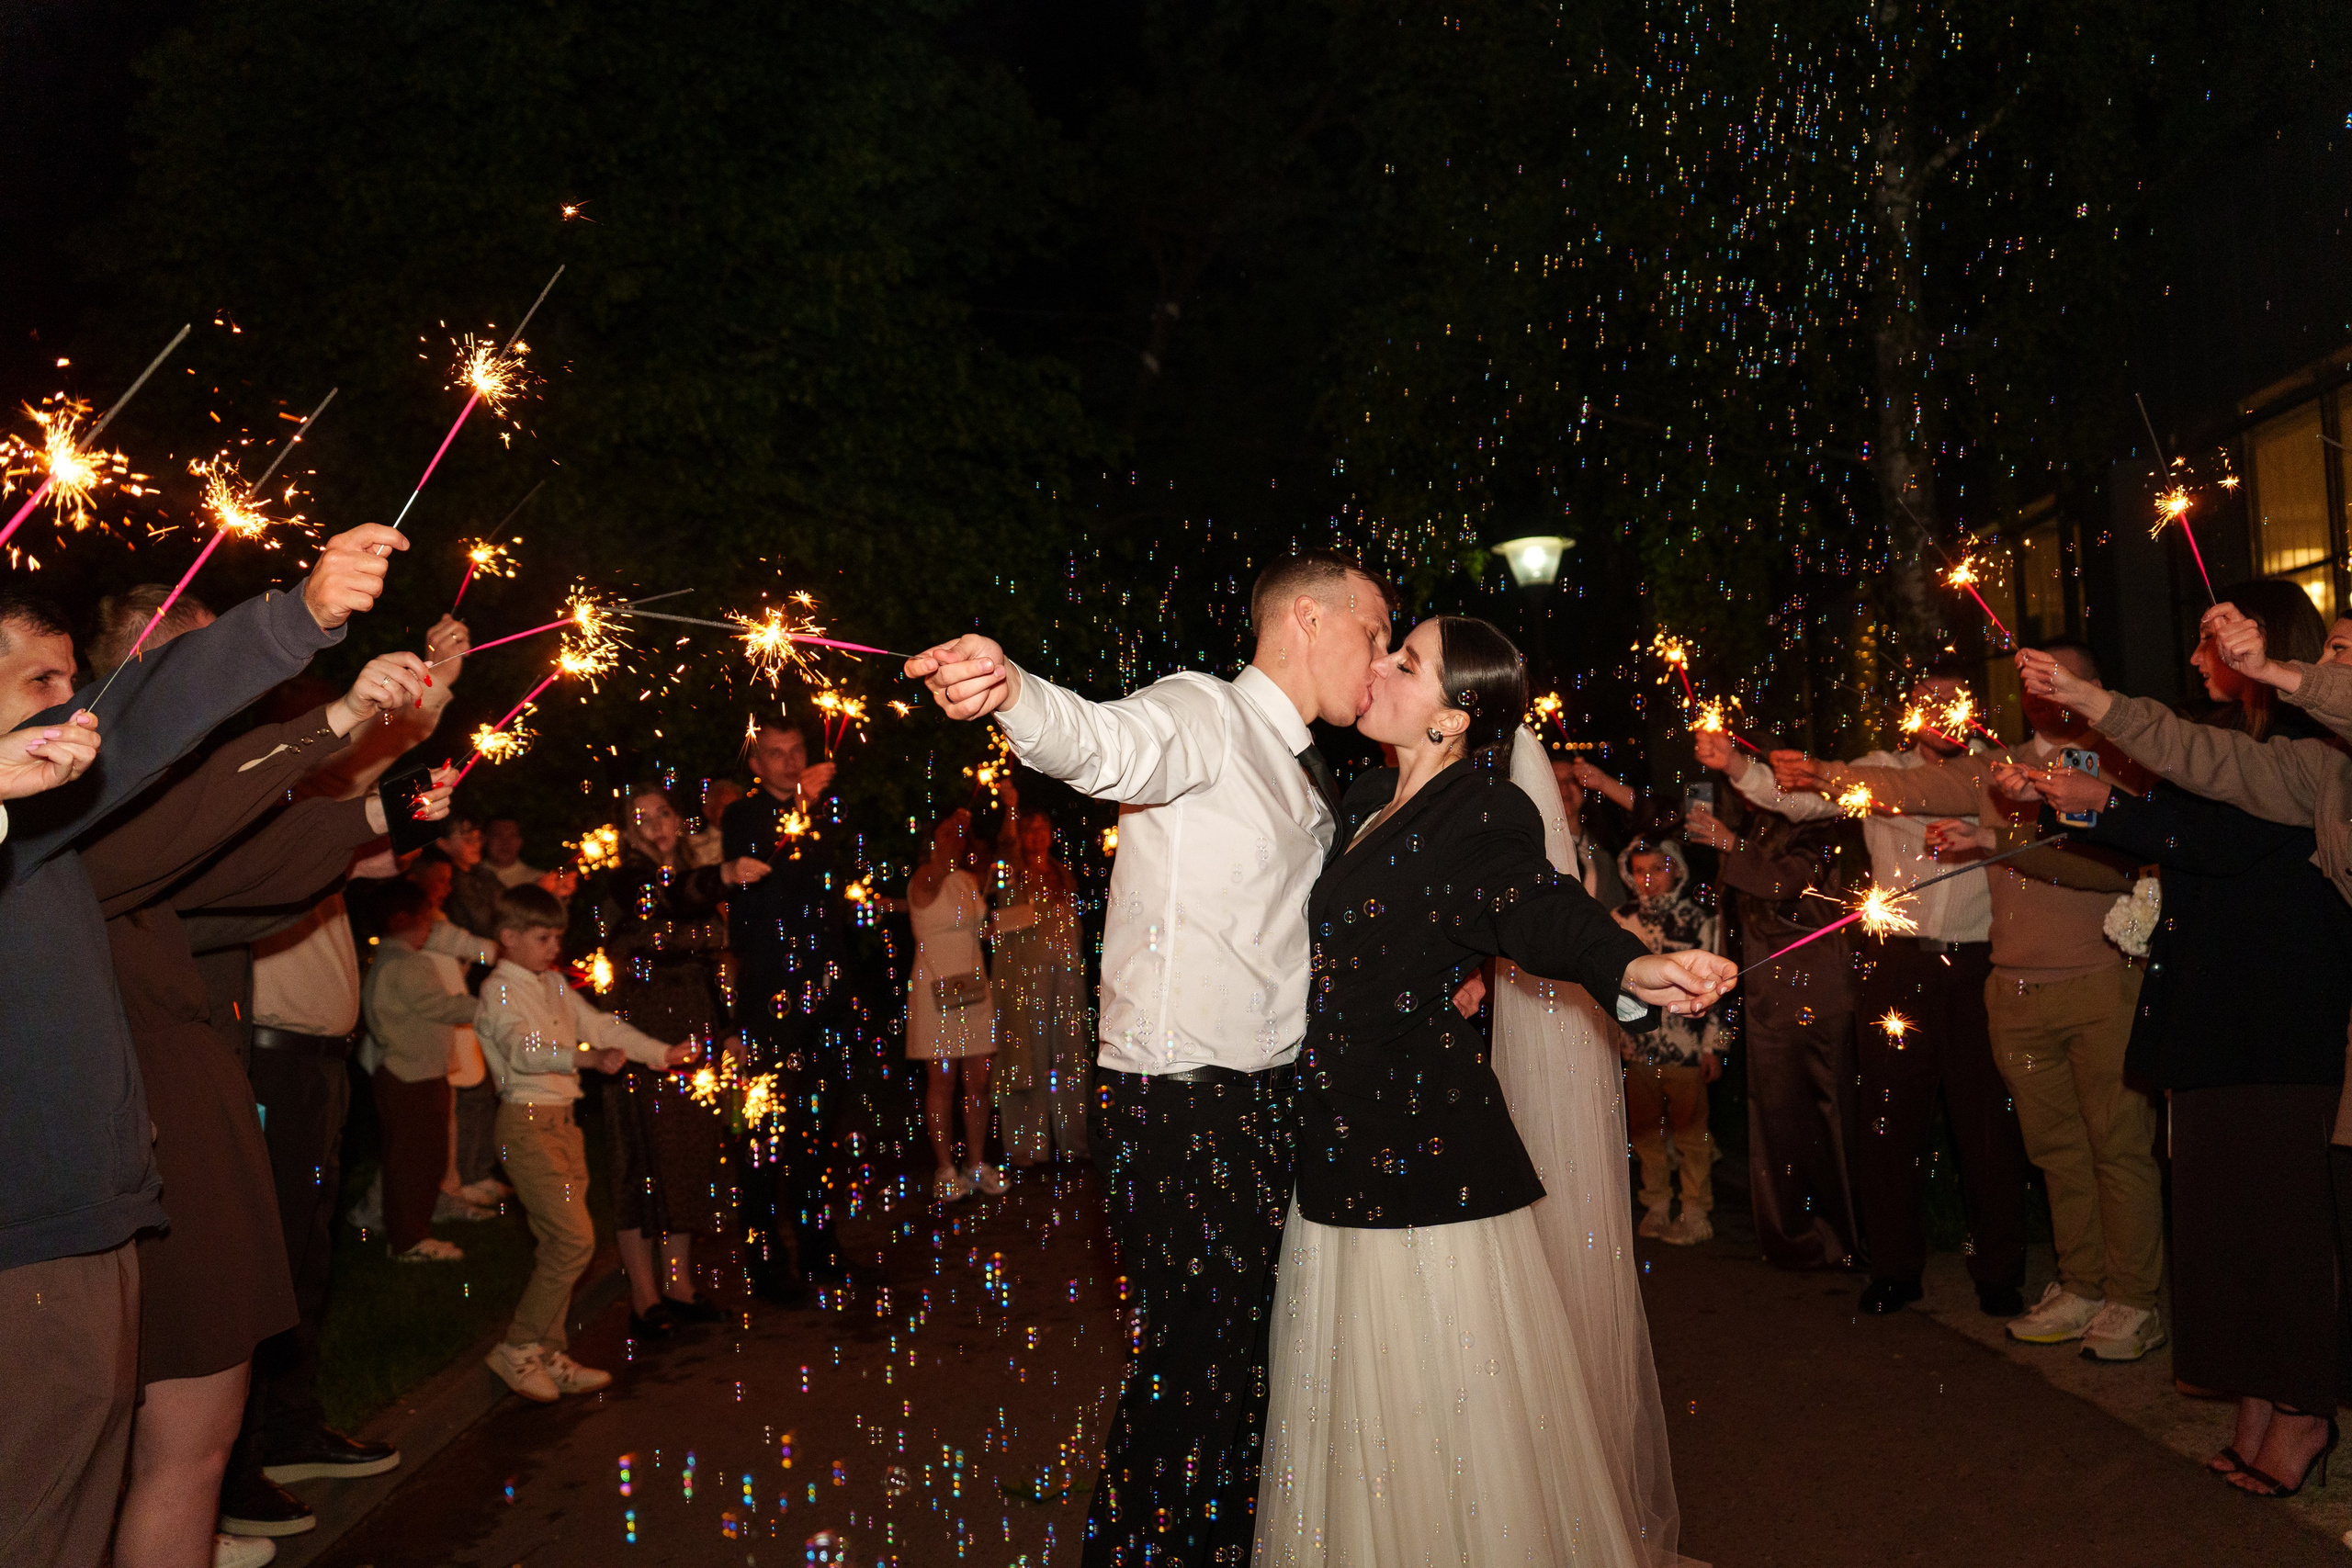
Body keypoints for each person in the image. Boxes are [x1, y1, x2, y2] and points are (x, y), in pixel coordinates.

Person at [909, 550, 1393, 1564]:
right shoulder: (1205, 713)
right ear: (1307, 618)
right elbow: (1104, 745)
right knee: (1190, 1383)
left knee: (1248, 1378)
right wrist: (1014, 691)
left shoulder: (1301, 763)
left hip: (1262, 1104)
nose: (1381, 656)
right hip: (1184, 1109)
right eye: (1375, 631)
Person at [1252, 615, 1736, 1564]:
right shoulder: (1362, 796)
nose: (1380, 670)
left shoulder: (1482, 809)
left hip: (1424, 1156)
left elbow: (1526, 900)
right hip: (1338, 1138)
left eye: (1407, 662)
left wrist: (1626, 967)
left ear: (1454, 716)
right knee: (1354, 1406)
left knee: (1443, 1414)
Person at [0, 528, 396, 1568]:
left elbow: (212, 894)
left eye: (73, 682)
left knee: (101, 1487)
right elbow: (150, 745)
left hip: (107, 1192)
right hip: (45, 1220)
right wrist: (298, 626)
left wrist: (364, 798)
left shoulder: (39, 820)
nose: (72, 706)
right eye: (46, 682)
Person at [84, 657, 447, 1568]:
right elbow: (205, 867)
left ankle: (245, 1469)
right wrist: (347, 708)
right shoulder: (93, 825)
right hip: (207, 1083)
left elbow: (224, 888)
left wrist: (383, 810)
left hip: (265, 1074)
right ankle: (224, 1490)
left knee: (287, 1268)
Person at [2018, 606, 2352, 1495]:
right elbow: (2191, 801)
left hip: (2285, 1013)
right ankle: (2254, 1393)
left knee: (2281, 1229)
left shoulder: (2313, 753)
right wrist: (2092, 777)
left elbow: (2220, 839)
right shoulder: (2264, 743)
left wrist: (2114, 807)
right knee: (2223, 1226)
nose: (2205, 655)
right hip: (2216, 1004)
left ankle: (2301, 1409)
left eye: (2339, 655)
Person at [1779, 642, 2158, 1359]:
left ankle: (2134, 1298)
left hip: (2096, 977)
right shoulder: (1995, 765)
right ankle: (2081, 1286)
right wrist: (1823, 771)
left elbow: (2114, 864)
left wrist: (1994, 836)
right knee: (2057, 1152)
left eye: (2057, 681)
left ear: (2092, 685)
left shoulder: (2124, 761)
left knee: (2116, 1146)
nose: (2042, 694)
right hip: (2012, 983)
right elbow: (1913, 790)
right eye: (2032, 684)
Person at [1699, 669, 2030, 1319]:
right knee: (1888, 1120)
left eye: (1948, 700)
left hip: (1978, 963)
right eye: (1923, 703)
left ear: (1973, 709)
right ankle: (1894, 1269)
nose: (1937, 712)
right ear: (1908, 714)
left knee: (1985, 1123)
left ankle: (2000, 1273)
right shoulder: (1879, 768)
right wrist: (1739, 763)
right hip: (1896, 963)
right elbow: (1804, 800)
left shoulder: (1999, 770)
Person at [476, 884, 697, 1403]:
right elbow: (524, 1051)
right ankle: (518, 1345)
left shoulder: (551, 985)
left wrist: (662, 1053)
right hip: (527, 1122)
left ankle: (548, 1352)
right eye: (543, 937)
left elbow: (601, 1024)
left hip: (563, 1122)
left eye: (558, 936)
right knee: (574, 1239)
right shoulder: (500, 989)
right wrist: (586, 1059)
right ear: (508, 937)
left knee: (562, 1242)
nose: (555, 947)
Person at [581, 784, 769, 1337]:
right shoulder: (625, 880)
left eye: (664, 812)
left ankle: (680, 1285)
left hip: (695, 1028)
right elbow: (670, 894)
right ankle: (645, 1299)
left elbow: (716, 960)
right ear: (627, 830)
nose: (657, 825)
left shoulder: (690, 880)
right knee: (641, 1162)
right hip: (640, 1032)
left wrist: (730, 1027)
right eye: (643, 818)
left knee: (688, 1159)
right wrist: (724, 875)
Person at [1687, 784, 1864, 1269]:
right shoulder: (1749, 822)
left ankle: (1841, 1238)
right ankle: (1793, 1236)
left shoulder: (1819, 823)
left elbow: (1789, 882)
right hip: (1767, 991)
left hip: (1812, 990)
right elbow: (1659, 811)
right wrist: (1602, 785)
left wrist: (1731, 846)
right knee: (1777, 1117)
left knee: (1824, 1116)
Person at [721, 717, 852, 1301]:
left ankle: (820, 1246)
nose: (789, 761)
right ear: (755, 765)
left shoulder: (824, 809)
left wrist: (817, 810)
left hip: (821, 991)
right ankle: (767, 1263)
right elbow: (762, 879)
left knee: (819, 1130)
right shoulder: (744, 816)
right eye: (774, 753)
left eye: (796, 749)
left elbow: (841, 877)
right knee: (766, 1131)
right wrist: (802, 804)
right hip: (770, 991)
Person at [362, 881, 492, 1263]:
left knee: (413, 1156)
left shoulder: (387, 962)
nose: (430, 929)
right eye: (425, 921)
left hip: (407, 1072)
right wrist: (492, 1008)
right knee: (417, 1159)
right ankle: (409, 1239)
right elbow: (442, 1007)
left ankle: (406, 1230)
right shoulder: (408, 964)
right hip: (413, 1076)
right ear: (402, 919)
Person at [1611, 838, 1723, 1246]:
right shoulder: (1619, 918)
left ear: (1674, 869)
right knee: (1644, 1133)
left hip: (1688, 1051)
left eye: (1657, 869)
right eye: (1639, 871)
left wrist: (1716, 1046)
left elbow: (1725, 989)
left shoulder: (1702, 918)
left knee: (1693, 1135)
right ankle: (1656, 1206)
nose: (1648, 879)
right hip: (1635, 1048)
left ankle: (1695, 1211)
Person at [991, 790, 1092, 1168]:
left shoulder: (1063, 873)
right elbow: (1005, 844)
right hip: (1026, 981)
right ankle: (1026, 1147)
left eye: (1043, 828)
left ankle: (1073, 1141)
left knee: (1069, 1057)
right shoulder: (1013, 872)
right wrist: (1010, 805)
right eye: (1028, 829)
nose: (1037, 835)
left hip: (1066, 977)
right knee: (1027, 1059)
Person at [906, 808, 1001, 1200]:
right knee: (942, 1082)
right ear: (930, 842)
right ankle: (945, 1168)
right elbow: (938, 873)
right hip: (935, 992)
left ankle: (976, 1164)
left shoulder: (964, 878)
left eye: (959, 835)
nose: (956, 839)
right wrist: (956, 824)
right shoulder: (926, 877)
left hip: (973, 988)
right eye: (946, 833)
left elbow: (977, 921)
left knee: (977, 1082)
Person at [481, 815, 541, 888]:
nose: (505, 842)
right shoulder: (470, 876)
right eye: (498, 835)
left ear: (521, 841)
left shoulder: (537, 880)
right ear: (485, 839)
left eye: (512, 836)